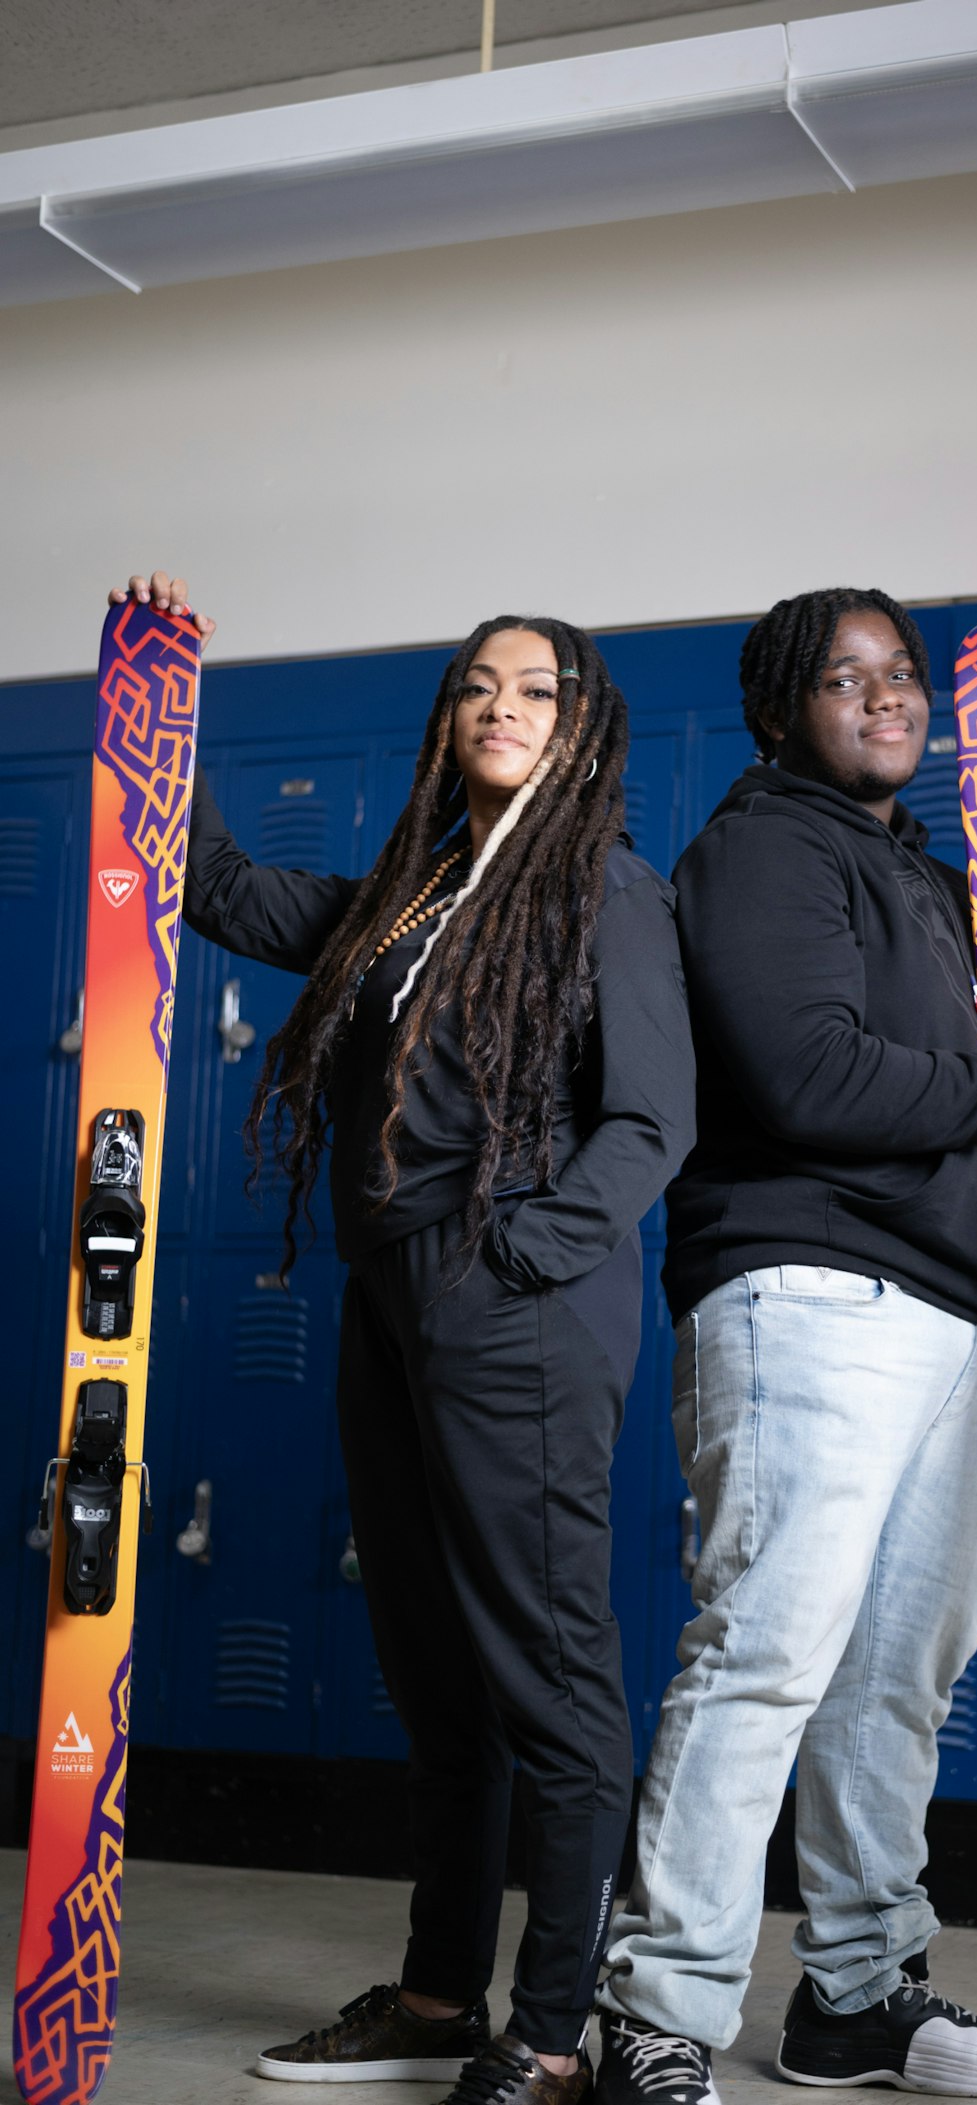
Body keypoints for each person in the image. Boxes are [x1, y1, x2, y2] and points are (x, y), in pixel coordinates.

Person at [110, 572, 696, 2105]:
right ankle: (442, 1993)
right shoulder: (408, 895)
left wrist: (516, 1257)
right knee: (436, 1669)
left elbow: (651, 1120)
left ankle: (550, 2035)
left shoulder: (607, 889)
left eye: (537, 688)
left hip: (514, 1301)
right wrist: (158, 693)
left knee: (551, 1674)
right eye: (477, 685)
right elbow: (218, 888)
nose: (502, 706)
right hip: (392, 1297)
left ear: (583, 729)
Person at [594, 588, 977, 2103]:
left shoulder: (938, 885)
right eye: (845, 674)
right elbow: (811, 1077)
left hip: (957, 1306)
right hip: (809, 1291)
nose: (888, 695)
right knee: (767, 1651)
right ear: (781, 710)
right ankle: (655, 2013)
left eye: (902, 672)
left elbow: (966, 1100)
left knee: (896, 1680)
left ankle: (858, 1997)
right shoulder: (762, 849)